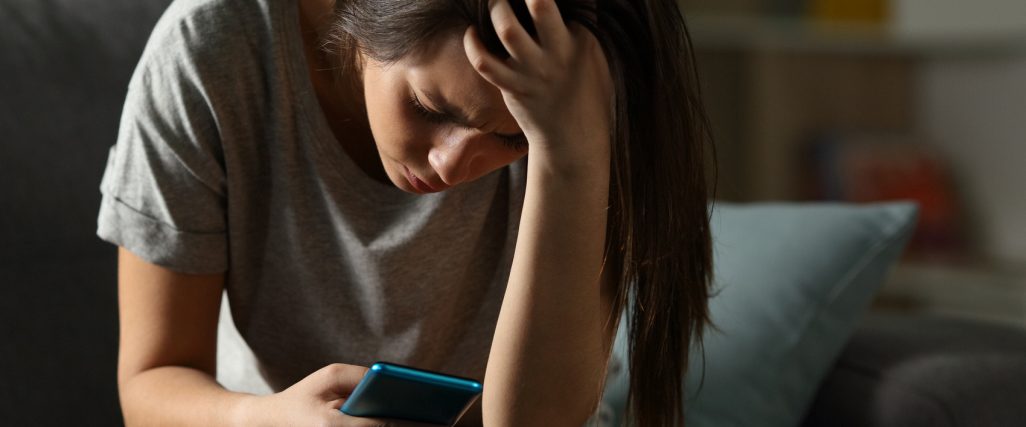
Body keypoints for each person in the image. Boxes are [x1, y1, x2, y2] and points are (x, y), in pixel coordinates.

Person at [96, 0, 713, 425]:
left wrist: (568, 152)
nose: (451, 165)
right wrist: (260, 416)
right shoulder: (215, 52)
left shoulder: (580, 92)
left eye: (510, 140)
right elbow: (151, 382)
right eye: (430, 106)